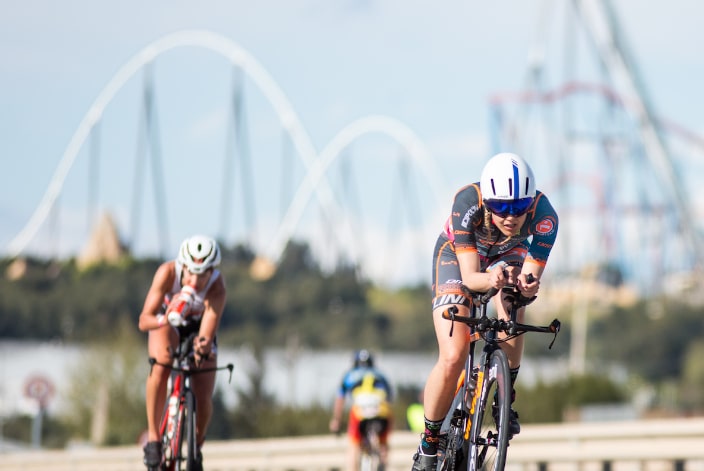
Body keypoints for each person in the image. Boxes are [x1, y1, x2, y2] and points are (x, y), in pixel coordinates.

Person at [411, 152, 559, 470]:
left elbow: (531, 276)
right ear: (487, 201)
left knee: (514, 307)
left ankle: (505, 396)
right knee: (453, 354)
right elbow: (470, 278)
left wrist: (526, 286)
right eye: (501, 207)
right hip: (460, 256)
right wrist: (491, 277)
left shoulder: (546, 217)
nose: (510, 216)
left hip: (508, 253)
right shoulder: (467, 201)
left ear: (530, 202)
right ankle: (429, 442)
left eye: (518, 207)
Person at [138, 235, 226, 471]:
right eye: (191, 272)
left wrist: (203, 347)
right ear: (183, 266)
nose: (196, 280)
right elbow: (144, 320)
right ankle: (155, 439)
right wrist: (163, 318)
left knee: (204, 390)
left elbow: (207, 330)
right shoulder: (167, 273)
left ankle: (196, 446)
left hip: (197, 328)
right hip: (167, 322)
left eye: (203, 273)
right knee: (161, 363)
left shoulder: (217, 287)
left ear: (212, 271)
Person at [330, 349, 394, 471]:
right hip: (381, 410)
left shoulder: (349, 375)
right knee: (383, 444)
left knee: (354, 445)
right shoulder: (381, 375)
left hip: (360, 411)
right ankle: (383, 461)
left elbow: (340, 400)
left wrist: (336, 421)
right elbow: (390, 398)